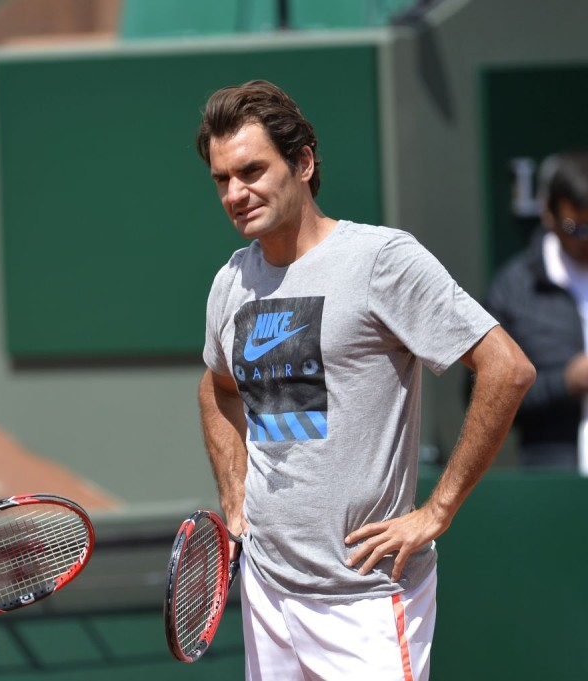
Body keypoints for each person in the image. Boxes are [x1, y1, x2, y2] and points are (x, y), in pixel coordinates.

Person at [195, 80, 534, 680]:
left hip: (366, 599)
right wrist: (234, 497)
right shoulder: (231, 282)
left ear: (302, 162)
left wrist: (438, 510)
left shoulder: (382, 259)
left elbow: (507, 368)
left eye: (251, 171)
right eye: (222, 179)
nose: (235, 193)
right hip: (268, 592)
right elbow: (217, 386)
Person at [484, 151, 588, 470]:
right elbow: (484, 398)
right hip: (553, 475)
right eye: (576, 228)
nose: (586, 239)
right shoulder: (514, 288)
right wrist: (567, 382)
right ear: (548, 213)